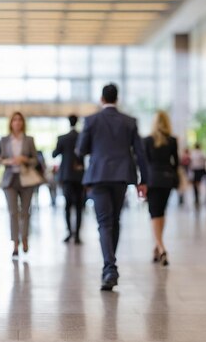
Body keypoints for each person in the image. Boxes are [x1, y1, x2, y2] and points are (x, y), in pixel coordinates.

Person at [76, 83, 149, 291]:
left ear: (102, 98)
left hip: (98, 176)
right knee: (114, 220)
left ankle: (109, 267)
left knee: (104, 222)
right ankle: (110, 267)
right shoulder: (129, 121)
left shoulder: (91, 120)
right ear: (117, 99)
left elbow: (81, 150)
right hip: (121, 176)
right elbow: (140, 153)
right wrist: (143, 180)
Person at [0, 111, 39, 258]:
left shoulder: (29, 140)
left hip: (26, 178)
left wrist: (25, 159)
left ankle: (25, 238)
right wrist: (9, 161)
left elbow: (35, 159)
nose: (17, 123)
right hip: (10, 179)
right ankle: (15, 242)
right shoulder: (4, 140)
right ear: (11, 123)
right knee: (13, 212)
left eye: (20, 120)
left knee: (25, 212)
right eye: (14, 120)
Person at [143, 111, 178, 267]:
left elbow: (144, 163)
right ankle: (157, 247)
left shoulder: (147, 141)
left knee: (154, 214)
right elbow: (176, 163)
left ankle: (162, 248)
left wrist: (142, 180)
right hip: (167, 179)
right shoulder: (172, 140)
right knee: (161, 213)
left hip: (152, 180)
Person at [52, 114, 85, 244]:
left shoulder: (63, 138)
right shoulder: (82, 137)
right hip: (80, 176)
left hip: (66, 176)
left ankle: (69, 232)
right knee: (79, 206)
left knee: (67, 205)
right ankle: (77, 235)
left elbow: (55, 154)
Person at [190, 143, 206, 207]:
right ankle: (201, 196)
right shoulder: (201, 153)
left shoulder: (192, 153)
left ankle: (197, 197)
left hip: (195, 170)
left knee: (195, 185)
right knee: (200, 184)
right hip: (200, 170)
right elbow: (205, 160)